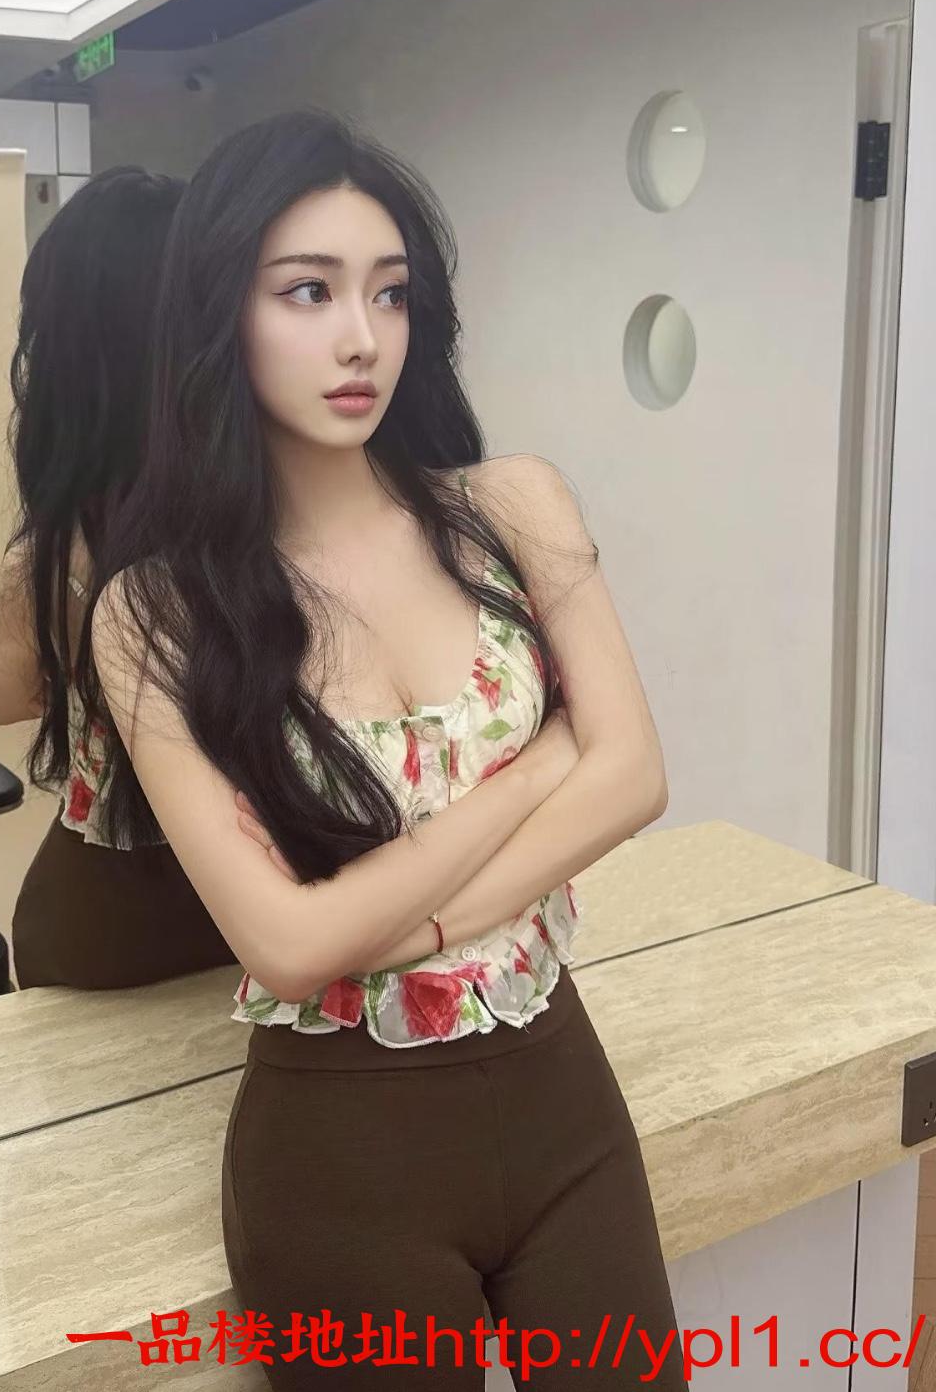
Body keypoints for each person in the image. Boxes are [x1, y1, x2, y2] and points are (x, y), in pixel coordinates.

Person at [86, 111, 686, 1388]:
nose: (363, 337)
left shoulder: (510, 507)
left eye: (392, 292)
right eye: (308, 292)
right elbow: (287, 947)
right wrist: (537, 772)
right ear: (219, 314)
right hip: (339, 1153)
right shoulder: (155, 613)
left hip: (558, 1086)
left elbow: (635, 774)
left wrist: (388, 919)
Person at [0, 166, 237, 989]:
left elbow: (7, 697)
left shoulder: (59, 552)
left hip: (103, 917)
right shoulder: (287, 520)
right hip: (280, 897)